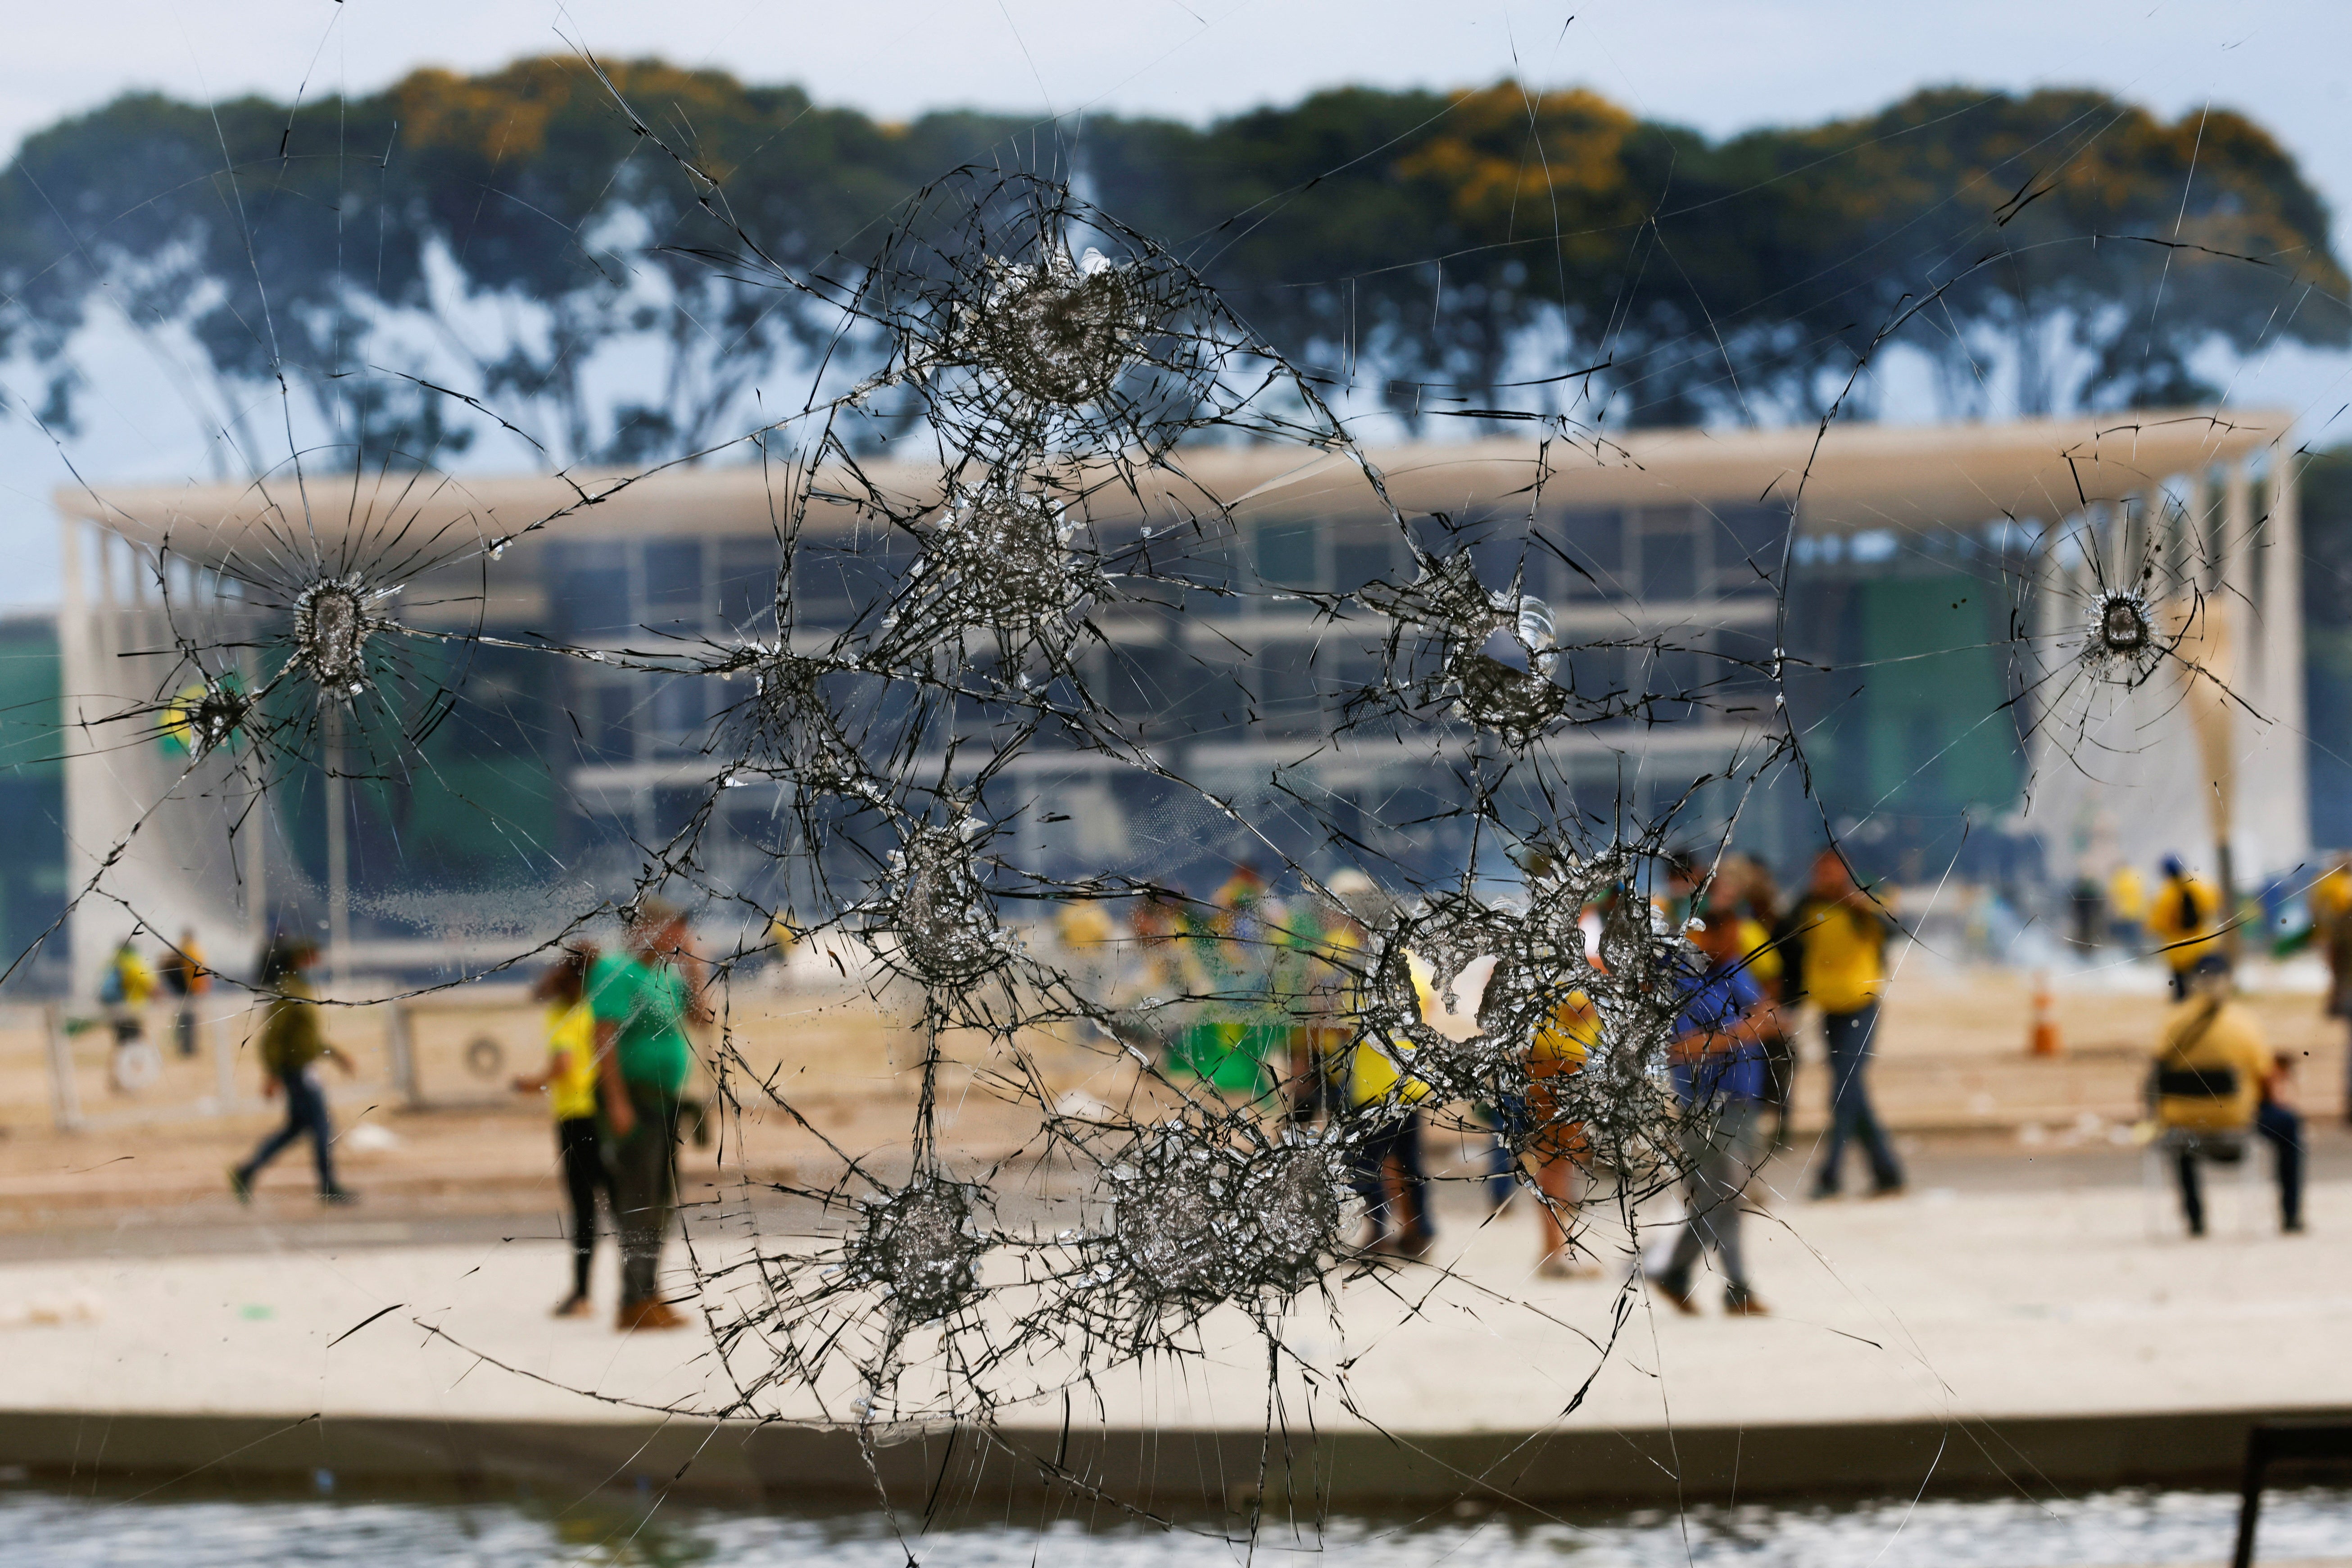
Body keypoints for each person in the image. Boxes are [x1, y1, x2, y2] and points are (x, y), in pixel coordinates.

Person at [1647, 902, 1777, 1316]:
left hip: (1742, 1099)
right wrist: (1742, 1032)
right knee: (1727, 1194)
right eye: (1727, 935)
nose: (1736, 943)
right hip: (1703, 1105)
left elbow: (1765, 1012)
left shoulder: (1734, 967)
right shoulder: (1682, 979)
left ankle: (1675, 1272)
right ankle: (1737, 1287)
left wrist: (1748, 1027)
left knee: (1715, 1198)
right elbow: (1678, 1049)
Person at [586, 899, 709, 1332]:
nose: (679, 939)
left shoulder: (665, 977)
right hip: (633, 1101)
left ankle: (650, 1291)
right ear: (648, 930)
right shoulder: (618, 972)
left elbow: (702, 1020)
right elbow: (604, 1041)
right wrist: (616, 1103)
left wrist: (696, 974)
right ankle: (632, 1299)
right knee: (639, 1201)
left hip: (665, 1102)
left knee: (661, 1201)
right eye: (673, 930)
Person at [2152, 953, 2302, 1237]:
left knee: (2185, 1118)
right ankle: (2291, 1215)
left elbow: (2158, 1070)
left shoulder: (2172, 1022)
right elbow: (2265, 1076)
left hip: (2181, 1124)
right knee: (2289, 1124)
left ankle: (2195, 1217)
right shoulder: (2243, 1022)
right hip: (2235, 1120)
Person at [1791, 850, 1904, 1199]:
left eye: (1832, 871)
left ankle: (1830, 1176)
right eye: (1820, 872)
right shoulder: (1807, 905)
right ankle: (1887, 1172)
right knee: (1852, 1092)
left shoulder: (1867, 900)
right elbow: (1791, 947)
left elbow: (1893, 930)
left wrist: (1855, 903)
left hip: (1862, 1006)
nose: (1825, 878)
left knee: (1842, 1092)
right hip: (1828, 1009)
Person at [513, 945, 608, 1318]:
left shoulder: (562, 1011)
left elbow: (564, 1064)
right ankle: (641, 1289)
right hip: (604, 1112)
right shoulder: (601, 1007)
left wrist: (530, 1083)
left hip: (574, 1116)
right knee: (619, 1199)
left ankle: (582, 1294)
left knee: (583, 1207)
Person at [229, 937, 358, 1203]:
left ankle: (247, 1171)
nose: (315, 961)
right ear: (298, 959)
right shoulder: (289, 990)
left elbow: (306, 1037)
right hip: (296, 1072)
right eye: (310, 956)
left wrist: (336, 1055)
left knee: (296, 1128)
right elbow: (273, 1037)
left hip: (303, 1068)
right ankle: (328, 1187)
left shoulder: (299, 986)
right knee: (322, 1126)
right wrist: (272, 1074)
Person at [2147, 855, 2222, 1002]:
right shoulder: (2201, 883)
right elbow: (2215, 903)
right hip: (2204, 945)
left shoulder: (2166, 894)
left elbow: (2156, 924)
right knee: (2206, 988)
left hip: (2179, 951)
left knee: (2181, 997)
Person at [102, 934, 160, 1094]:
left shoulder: (113, 962)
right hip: (132, 1012)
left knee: (121, 1046)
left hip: (115, 1012)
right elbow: (150, 985)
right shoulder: (132, 963)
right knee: (134, 1046)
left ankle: (117, 1082)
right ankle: (130, 1082)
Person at [159, 927, 210, 1058]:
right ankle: (189, 1049)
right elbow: (201, 972)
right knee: (190, 1021)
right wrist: (202, 988)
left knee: (184, 1020)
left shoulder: (179, 950)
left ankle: (185, 1048)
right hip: (191, 990)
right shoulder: (194, 950)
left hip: (182, 990)